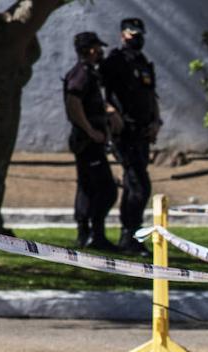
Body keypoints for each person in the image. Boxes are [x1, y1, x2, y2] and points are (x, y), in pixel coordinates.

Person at [100, 18, 160, 257]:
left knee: (135, 185)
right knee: (139, 185)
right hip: (124, 133)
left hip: (143, 133)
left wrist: (156, 121)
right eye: (133, 33)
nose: (137, 38)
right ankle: (130, 236)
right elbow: (98, 93)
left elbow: (151, 94)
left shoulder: (143, 62)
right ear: (123, 34)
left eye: (140, 33)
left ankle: (130, 236)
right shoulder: (114, 61)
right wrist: (111, 113)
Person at [64, 31, 120, 251]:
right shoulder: (82, 73)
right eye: (97, 47)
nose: (100, 52)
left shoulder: (88, 73)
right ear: (90, 49)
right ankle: (94, 233)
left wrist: (109, 112)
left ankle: (86, 233)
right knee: (106, 190)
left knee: (87, 187)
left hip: (89, 140)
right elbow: (73, 102)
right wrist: (90, 130)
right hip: (87, 142)